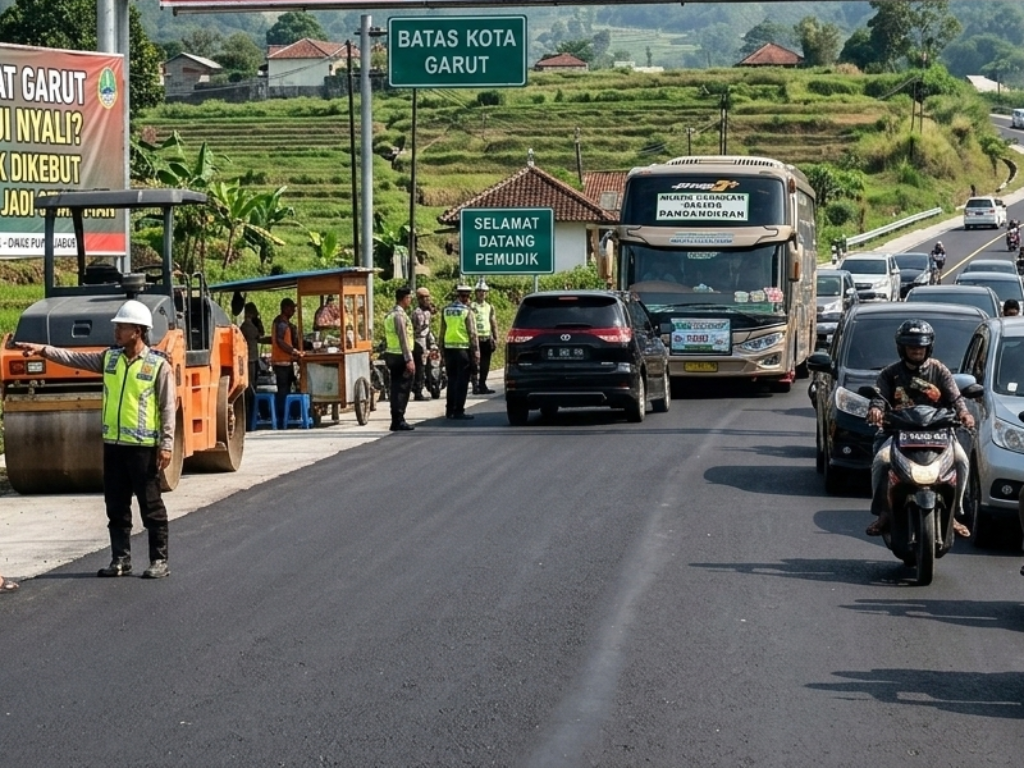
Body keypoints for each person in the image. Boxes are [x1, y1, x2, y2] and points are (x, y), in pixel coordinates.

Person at [16, 300, 176, 579]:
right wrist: (42, 350)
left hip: (142, 449)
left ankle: (159, 560)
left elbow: (167, 407)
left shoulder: (157, 366)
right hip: (113, 447)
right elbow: (73, 359)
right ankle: (121, 560)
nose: (116, 331)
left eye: (122, 326)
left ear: (137, 331)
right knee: (115, 504)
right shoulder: (109, 359)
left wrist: (166, 444)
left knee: (151, 505)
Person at [864, 319, 974, 539]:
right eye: (911, 345)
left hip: (939, 433)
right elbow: (879, 398)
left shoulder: (939, 370)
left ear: (928, 347)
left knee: (961, 460)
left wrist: (965, 413)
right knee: (880, 461)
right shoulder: (890, 373)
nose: (916, 350)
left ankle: (954, 513)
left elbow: (956, 398)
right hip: (896, 433)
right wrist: (876, 409)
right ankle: (884, 512)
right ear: (901, 347)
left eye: (921, 346)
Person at [440, 284, 480, 420]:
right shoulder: (467, 311)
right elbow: (473, 333)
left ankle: (449, 410)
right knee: (462, 381)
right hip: (463, 350)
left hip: (449, 349)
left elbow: (442, 332)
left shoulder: (446, 310)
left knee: (451, 380)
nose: (466, 299)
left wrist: (441, 351)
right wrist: (476, 352)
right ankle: (459, 411)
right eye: (466, 296)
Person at [383, 286, 416, 431]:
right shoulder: (399, 316)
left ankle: (397, 418)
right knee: (402, 389)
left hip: (392, 354)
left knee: (396, 388)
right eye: (409, 298)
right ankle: (398, 419)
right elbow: (403, 338)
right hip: (400, 356)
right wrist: (409, 359)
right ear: (404, 298)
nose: (410, 301)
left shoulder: (389, 314)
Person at [270, 297, 304, 428]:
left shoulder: (283, 323)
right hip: (281, 362)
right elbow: (280, 341)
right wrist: (293, 351)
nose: (294, 311)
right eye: (291, 308)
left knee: (288, 389)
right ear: (285, 308)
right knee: (283, 391)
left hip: (286, 362)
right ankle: (282, 420)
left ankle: (287, 418)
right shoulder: (281, 324)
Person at [470, 279, 498, 395]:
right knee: (474, 363)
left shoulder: (489, 307)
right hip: (475, 338)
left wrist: (496, 337)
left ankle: (483, 384)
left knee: (485, 364)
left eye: (484, 291)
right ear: (476, 292)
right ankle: (475, 386)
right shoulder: (471, 306)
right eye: (480, 291)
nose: (482, 293)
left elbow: (493, 322)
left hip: (486, 338)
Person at [239, 302, 264, 426]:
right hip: (249, 359)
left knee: (252, 386)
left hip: (252, 359)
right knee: (250, 387)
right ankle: (250, 417)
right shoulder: (247, 327)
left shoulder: (247, 326)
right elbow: (260, 334)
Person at [411, 287, 435, 401]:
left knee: (431, 363)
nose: (426, 300)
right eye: (423, 298)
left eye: (427, 297)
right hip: (419, 341)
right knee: (420, 366)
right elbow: (419, 329)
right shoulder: (417, 313)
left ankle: (432, 385)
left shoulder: (427, 311)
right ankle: (418, 391)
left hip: (427, 339)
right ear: (419, 299)